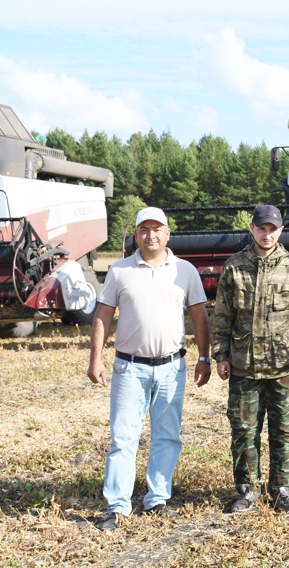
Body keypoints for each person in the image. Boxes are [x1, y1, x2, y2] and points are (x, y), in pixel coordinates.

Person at [88, 207, 211, 532]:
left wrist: (205, 357)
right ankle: (117, 506)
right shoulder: (119, 270)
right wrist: (95, 359)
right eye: (145, 229)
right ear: (137, 234)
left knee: (167, 436)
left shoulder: (184, 271)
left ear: (168, 234)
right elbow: (103, 315)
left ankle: (157, 498)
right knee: (123, 438)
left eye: (157, 229)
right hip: (129, 368)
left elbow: (199, 315)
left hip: (172, 367)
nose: (151, 235)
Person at [212, 204, 289, 514]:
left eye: (273, 229)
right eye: (262, 228)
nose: (267, 234)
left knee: (283, 431)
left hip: (283, 367)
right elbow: (222, 316)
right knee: (244, 431)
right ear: (252, 229)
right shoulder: (234, 268)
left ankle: (282, 490)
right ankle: (247, 490)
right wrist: (220, 354)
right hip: (244, 365)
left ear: (280, 231)